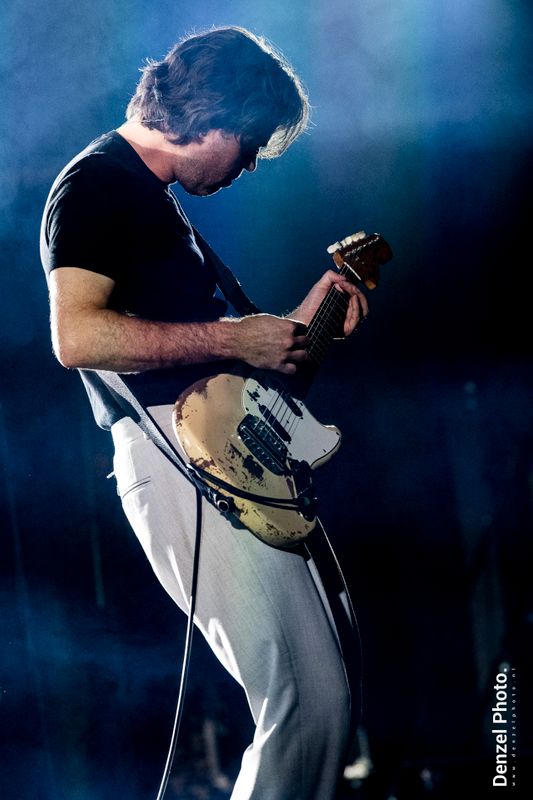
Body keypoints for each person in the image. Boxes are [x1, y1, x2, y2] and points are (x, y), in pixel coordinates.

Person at [40, 26, 368, 800]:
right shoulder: (96, 183)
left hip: (223, 455)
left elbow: (241, 376)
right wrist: (234, 337)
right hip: (178, 459)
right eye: (248, 145)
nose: (247, 165)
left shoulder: (150, 201)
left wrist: (305, 325)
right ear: (216, 117)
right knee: (306, 702)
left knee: (329, 693)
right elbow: (76, 337)